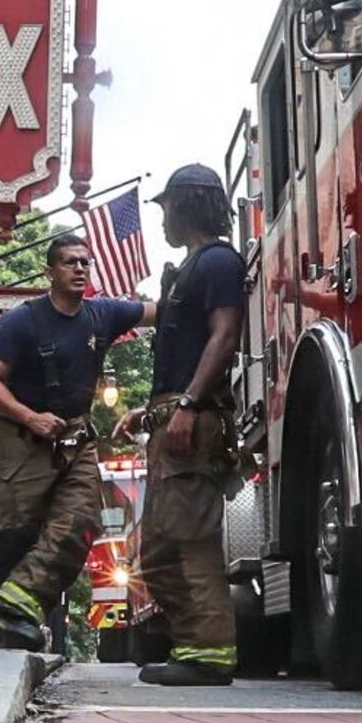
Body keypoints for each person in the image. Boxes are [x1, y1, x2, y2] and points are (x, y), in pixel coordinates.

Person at [0, 229, 146, 652]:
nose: (80, 268)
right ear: (49, 271)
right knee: (10, 531)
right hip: (20, 441)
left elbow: (159, 312)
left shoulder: (102, 314)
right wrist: (30, 417)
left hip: (77, 443)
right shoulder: (23, 321)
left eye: (85, 262)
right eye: (70, 261)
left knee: (79, 525)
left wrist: (197, 295)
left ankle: (16, 611)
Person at [134, 163, 247, 686]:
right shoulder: (191, 268)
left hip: (194, 425)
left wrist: (187, 407)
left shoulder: (220, 262)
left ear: (190, 204)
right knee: (157, 550)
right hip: (174, 420)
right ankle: (191, 648)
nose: (162, 219)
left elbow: (223, 338)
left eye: (166, 207)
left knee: (190, 542)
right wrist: (152, 412)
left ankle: (208, 655)